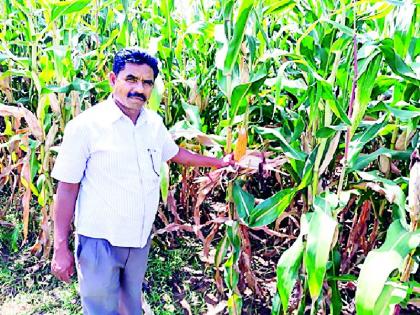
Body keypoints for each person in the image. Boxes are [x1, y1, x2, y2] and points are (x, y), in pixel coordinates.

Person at [51, 48, 231, 314]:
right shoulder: (86, 127)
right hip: (100, 240)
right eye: (131, 79)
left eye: (147, 82)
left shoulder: (153, 123)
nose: (139, 88)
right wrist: (60, 248)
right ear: (113, 80)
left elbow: (176, 154)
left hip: (138, 238)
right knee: (100, 308)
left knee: (130, 304)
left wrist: (221, 163)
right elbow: (66, 189)